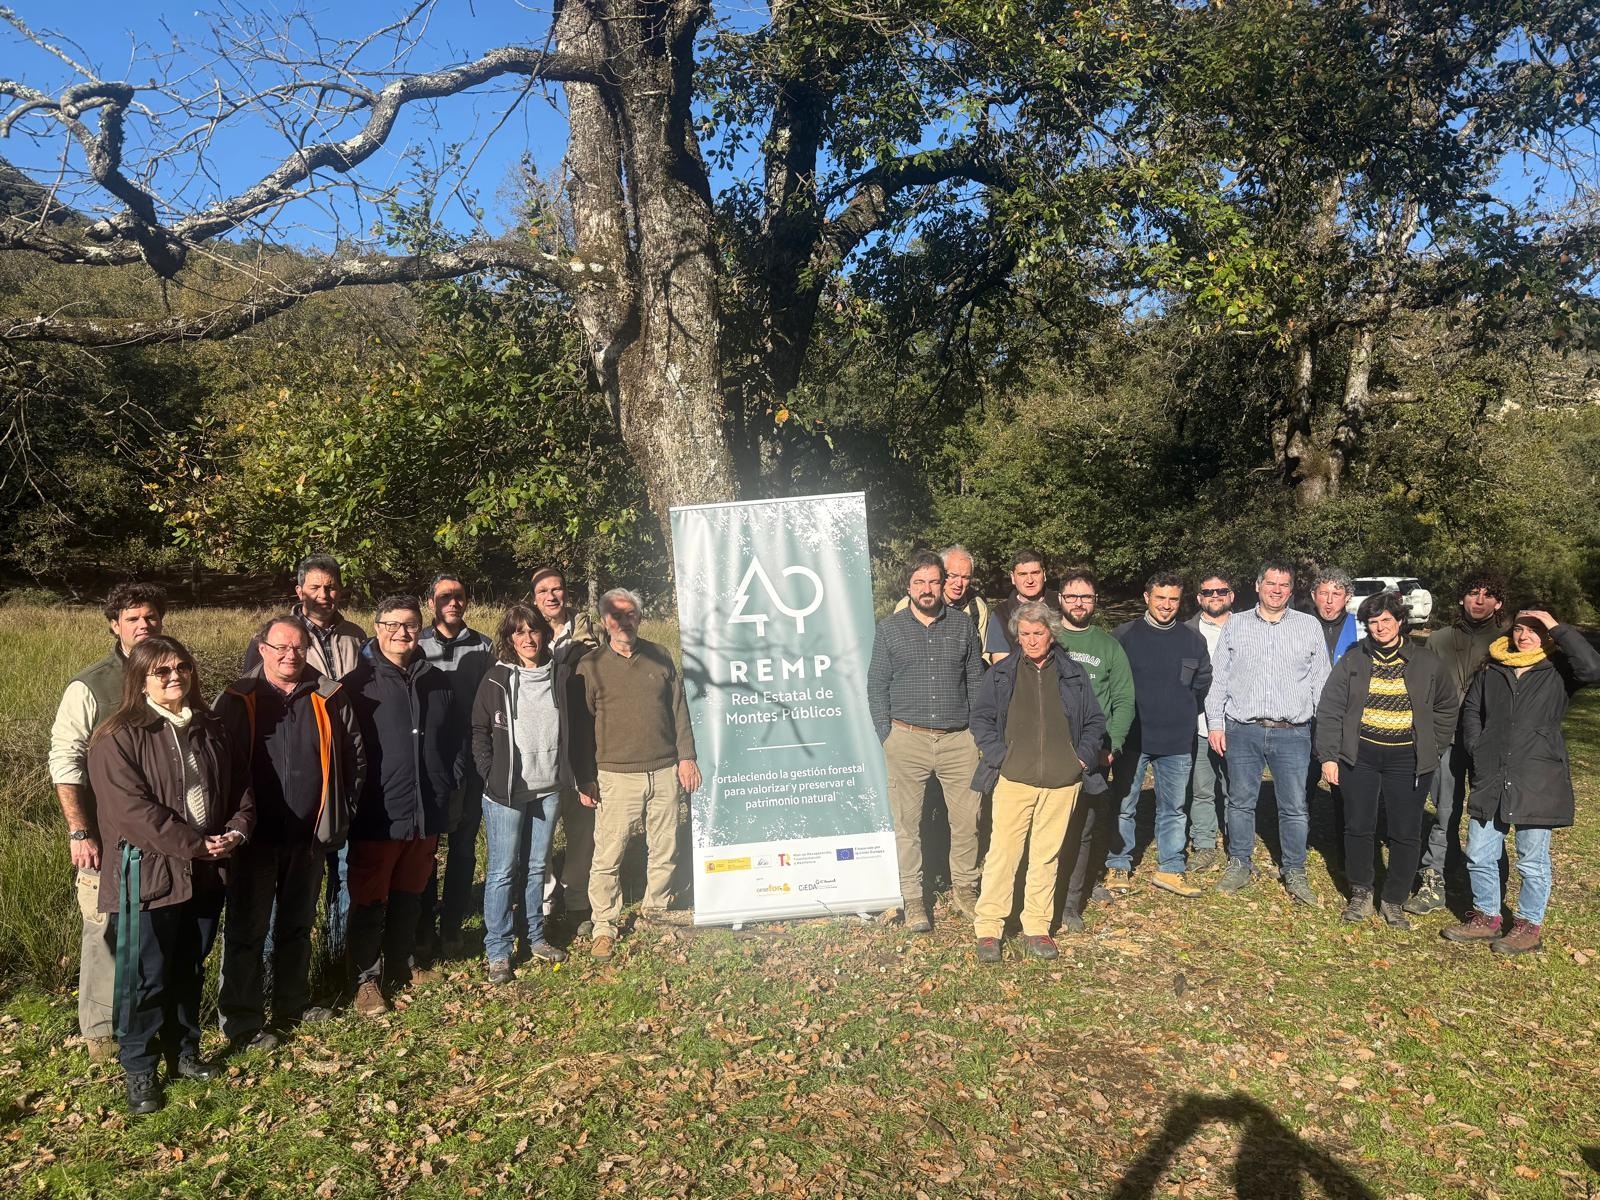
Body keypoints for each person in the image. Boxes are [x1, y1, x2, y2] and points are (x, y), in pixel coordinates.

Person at [86, 636, 254, 1114]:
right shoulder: (117, 737)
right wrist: (195, 844)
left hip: (205, 874)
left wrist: (238, 830)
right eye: (161, 671)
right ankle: (139, 1071)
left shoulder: (210, 727)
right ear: (139, 680)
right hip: (150, 877)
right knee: (145, 978)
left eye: (182, 666)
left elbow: (240, 785)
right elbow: (132, 812)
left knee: (189, 966)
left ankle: (184, 1053)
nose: (175, 676)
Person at [215, 616, 365, 1052]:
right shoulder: (238, 699)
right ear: (262, 649)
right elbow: (215, 765)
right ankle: (241, 1020)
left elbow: (355, 758)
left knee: (298, 926)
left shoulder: (328, 695)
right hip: (253, 840)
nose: (290, 655)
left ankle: (290, 1006)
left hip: (309, 837)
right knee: (246, 932)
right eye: (280, 647)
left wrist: (342, 812)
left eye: (298, 648)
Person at [48, 582, 166, 1063]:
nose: (143, 625)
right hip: (106, 832)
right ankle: (100, 1030)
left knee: (155, 927)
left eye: (151, 617)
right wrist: (81, 831)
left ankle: (149, 1016)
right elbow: (65, 760)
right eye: (133, 618)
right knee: (104, 929)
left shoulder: (169, 669)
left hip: (161, 831)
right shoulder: (91, 685)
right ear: (114, 625)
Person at [1441, 609, 1600, 954]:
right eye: (1520, 629)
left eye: (1535, 630)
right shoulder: (1493, 668)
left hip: (1537, 776)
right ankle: (1486, 917)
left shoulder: (1559, 670)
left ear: (1548, 637)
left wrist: (1557, 625)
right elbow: (1472, 710)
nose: (1525, 635)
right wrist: (1476, 745)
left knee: (1532, 859)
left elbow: (1594, 667)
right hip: (1492, 774)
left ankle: (1528, 926)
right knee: (1480, 853)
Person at [241, 554, 367, 964]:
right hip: (274, 808)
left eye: (330, 586)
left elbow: (356, 736)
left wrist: (345, 800)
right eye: (315, 586)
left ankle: (336, 958)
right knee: (265, 912)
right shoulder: (270, 646)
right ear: (299, 591)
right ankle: (255, 998)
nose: (324, 594)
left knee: (335, 883)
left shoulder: (356, 636)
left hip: (334, 781)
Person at [344, 595, 466, 1014]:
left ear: (421, 628)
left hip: (425, 808)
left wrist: (450, 781)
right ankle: (366, 980)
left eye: (410, 624)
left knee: (410, 893)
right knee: (369, 898)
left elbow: (455, 739)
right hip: (378, 812)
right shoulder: (356, 686)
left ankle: (402, 962)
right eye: (392, 624)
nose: (401, 632)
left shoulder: (435, 680)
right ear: (377, 628)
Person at [969, 602, 1105, 962]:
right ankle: (989, 929)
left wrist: (1080, 758)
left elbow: (1094, 722)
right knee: (1003, 854)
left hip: (1062, 782)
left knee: (1046, 856)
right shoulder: (1002, 674)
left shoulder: (1073, 673)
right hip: (1015, 779)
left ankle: (1037, 926)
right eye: (1025, 634)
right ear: (1018, 635)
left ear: (1051, 633)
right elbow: (981, 719)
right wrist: (1002, 756)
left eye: (1038, 633)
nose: (1031, 640)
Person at [1314, 592, 1457, 928]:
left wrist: (1432, 747)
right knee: (1358, 825)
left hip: (1407, 758)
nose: (1380, 628)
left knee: (1405, 831)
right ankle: (1361, 890)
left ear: (1400, 622)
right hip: (1360, 755)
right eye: (1373, 623)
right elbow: (1331, 708)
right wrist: (1329, 756)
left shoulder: (1426, 663)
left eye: (1386, 621)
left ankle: (1393, 897)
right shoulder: (1353, 660)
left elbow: (1447, 707)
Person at [572, 588, 700, 962]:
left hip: (663, 770)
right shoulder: (591, 665)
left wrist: (686, 756)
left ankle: (655, 912)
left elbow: (679, 709)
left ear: (639, 618)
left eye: (629, 614)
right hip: (615, 775)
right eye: (614, 615)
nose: (622, 621)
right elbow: (581, 729)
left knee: (665, 848)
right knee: (608, 854)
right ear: (604, 620)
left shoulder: (659, 656)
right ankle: (605, 926)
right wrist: (585, 777)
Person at [867, 551, 987, 932]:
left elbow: (976, 682)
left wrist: (977, 733)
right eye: (919, 582)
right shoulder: (890, 629)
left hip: (958, 741)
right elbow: (876, 687)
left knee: (968, 821)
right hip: (907, 739)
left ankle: (965, 890)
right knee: (908, 825)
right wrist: (888, 736)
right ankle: (914, 898)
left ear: (943, 584)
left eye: (934, 581)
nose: (928, 589)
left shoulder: (962, 626)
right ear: (908, 587)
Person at [1206, 560, 1332, 906]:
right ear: (1258, 586)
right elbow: (1219, 678)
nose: (1277, 590)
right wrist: (1215, 723)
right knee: (1241, 801)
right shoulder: (1236, 625)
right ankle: (1239, 862)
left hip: (1293, 733)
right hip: (1242, 729)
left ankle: (1294, 869)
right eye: (1271, 583)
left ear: (1291, 590)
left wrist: (1325, 735)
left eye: (1284, 585)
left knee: (1294, 805)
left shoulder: (1308, 627)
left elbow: (1321, 682)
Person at [471, 604, 573, 980]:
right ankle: (498, 950)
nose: (527, 639)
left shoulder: (559, 675)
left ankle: (535, 937)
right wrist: (490, 775)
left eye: (533, 631)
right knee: (501, 871)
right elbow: (479, 731)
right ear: (509, 639)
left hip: (549, 788)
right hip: (507, 793)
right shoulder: (496, 680)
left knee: (536, 868)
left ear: (544, 634)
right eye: (519, 633)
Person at [1404, 572, 1507, 914]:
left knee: (1490, 813)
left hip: (1490, 742)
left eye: (1487, 595)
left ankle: (1493, 879)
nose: (1479, 600)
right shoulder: (1440, 639)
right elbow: (1423, 688)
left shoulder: (1507, 641)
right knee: (1444, 812)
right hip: (1444, 739)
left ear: (1498, 603)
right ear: (1461, 599)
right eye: (1472, 593)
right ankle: (1434, 879)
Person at [1105, 571, 1211, 898]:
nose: (1166, 606)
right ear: (1146, 597)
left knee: (1174, 808)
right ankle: (1118, 865)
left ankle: (1171, 868)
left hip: (1177, 740)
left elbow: (1201, 683)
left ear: (1181, 601)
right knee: (1125, 804)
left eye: (1173, 600)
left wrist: (1179, 710)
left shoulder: (1193, 639)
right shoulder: (1124, 636)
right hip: (1133, 738)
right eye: (1160, 598)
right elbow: (1110, 685)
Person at [1053, 569, 1136, 930]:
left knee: (1082, 829)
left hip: (1092, 753)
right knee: (1045, 828)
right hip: (1049, 752)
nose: (1078, 604)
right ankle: (1041, 898)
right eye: (1072, 597)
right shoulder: (1048, 638)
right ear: (1060, 599)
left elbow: (1124, 699)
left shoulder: (1107, 646)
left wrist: (1112, 745)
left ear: (1095, 601)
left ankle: (1071, 902)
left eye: (1085, 597)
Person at [417, 573, 493, 956]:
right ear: (431, 601)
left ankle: (452, 927)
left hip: (471, 760)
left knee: (463, 848)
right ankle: (425, 928)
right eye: (444, 596)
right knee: (427, 849)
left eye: (459, 596)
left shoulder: (483, 646)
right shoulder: (413, 643)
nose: (453, 602)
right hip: (426, 761)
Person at [530, 566, 601, 935]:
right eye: (543, 591)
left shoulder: (592, 635)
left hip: (581, 745)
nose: (551, 596)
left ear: (566, 593)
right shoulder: (526, 635)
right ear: (535, 598)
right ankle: (543, 902)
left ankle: (577, 902)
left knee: (582, 829)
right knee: (539, 832)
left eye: (557, 589)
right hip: (541, 751)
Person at [1306, 567, 1359, 859]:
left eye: (1336, 594)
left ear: (1347, 598)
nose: (1329, 601)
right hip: (1305, 721)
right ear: (1313, 596)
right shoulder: (1299, 624)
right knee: (1302, 786)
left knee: (1344, 789)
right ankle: (1296, 847)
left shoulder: (1361, 628)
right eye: (1323, 594)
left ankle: (1345, 850)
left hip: (1345, 722)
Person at [1184, 573, 1233, 872]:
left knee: (1235, 789)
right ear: (1199, 598)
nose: (1215, 596)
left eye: (1221, 591)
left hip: (1237, 724)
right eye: (1208, 592)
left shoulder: (1245, 627)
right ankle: (1203, 844)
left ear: (1231, 595)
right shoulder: (1187, 631)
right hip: (1199, 724)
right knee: (1202, 788)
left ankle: (1236, 843)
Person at [984, 548, 1067, 663]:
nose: (1029, 580)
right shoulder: (1001, 614)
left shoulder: (1062, 604)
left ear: (1044, 574)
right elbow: (1001, 667)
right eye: (1022, 574)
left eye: (1035, 573)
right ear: (1013, 577)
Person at [894, 544, 991, 639]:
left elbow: (982, 653)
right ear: (941, 575)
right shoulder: (908, 605)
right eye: (953, 576)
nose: (959, 583)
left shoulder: (977, 608)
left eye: (965, 577)